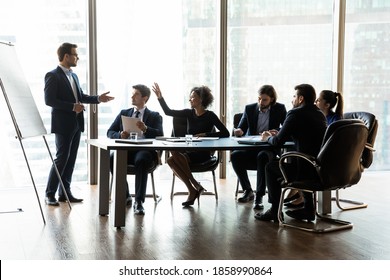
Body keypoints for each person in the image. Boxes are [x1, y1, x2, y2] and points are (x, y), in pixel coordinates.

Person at [44, 42, 114, 206]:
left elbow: (80, 96)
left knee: (71, 159)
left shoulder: (73, 75)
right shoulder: (52, 75)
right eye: (75, 54)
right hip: (63, 124)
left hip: (76, 124)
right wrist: (71, 107)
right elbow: (49, 100)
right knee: (61, 159)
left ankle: (65, 193)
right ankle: (49, 194)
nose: (78, 57)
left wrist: (98, 99)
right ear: (66, 56)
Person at [255, 84, 327, 222]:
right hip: (318, 168)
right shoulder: (320, 114)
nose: (292, 100)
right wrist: (281, 133)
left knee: (271, 167)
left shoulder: (295, 113)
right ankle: (308, 209)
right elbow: (305, 135)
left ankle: (274, 211)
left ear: (300, 99)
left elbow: (277, 142)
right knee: (298, 164)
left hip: (304, 169)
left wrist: (267, 137)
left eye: (294, 96)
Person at [152, 82, 230, 207]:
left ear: (201, 99)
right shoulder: (189, 113)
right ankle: (193, 187)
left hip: (204, 153)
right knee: (171, 160)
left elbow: (226, 133)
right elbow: (168, 112)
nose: (190, 99)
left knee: (174, 158)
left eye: (193, 96)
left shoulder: (210, 116)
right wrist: (160, 97)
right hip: (189, 151)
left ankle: (194, 187)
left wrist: (206, 134)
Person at [107, 84, 163, 215]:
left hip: (145, 150)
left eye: (136, 94)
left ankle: (139, 202)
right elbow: (110, 131)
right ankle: (126, 195)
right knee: (112, 158)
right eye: (132, 94)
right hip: (126, 150)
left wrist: (146, 129)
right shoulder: (124, 113)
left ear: (145, 97)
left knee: (142, 159)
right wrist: (120, 134)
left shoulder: (155, 116)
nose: (132, 96)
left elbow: (160, 134)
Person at [284, 89, 344, 208]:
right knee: (295, 152)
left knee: (300, 157)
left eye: (318, 100)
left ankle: (299, 192)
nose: (315, 102)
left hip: (326, 159)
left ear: (327, 105)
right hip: (318, 154)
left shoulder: (334, 120)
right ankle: (300, 193)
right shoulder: (316, 116)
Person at [231, 85, 286, 210]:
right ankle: (248, 190)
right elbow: (241, 128)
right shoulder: (249, 108)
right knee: (235, 155)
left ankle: (259, 196)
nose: (261, 102)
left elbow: (286, 127)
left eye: (265, 100)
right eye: (259, 99)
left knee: (263, 156)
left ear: (272, 99)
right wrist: (238, 131)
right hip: (251, 148)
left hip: (269, 148)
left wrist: (275, 131)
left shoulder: (280, 108)